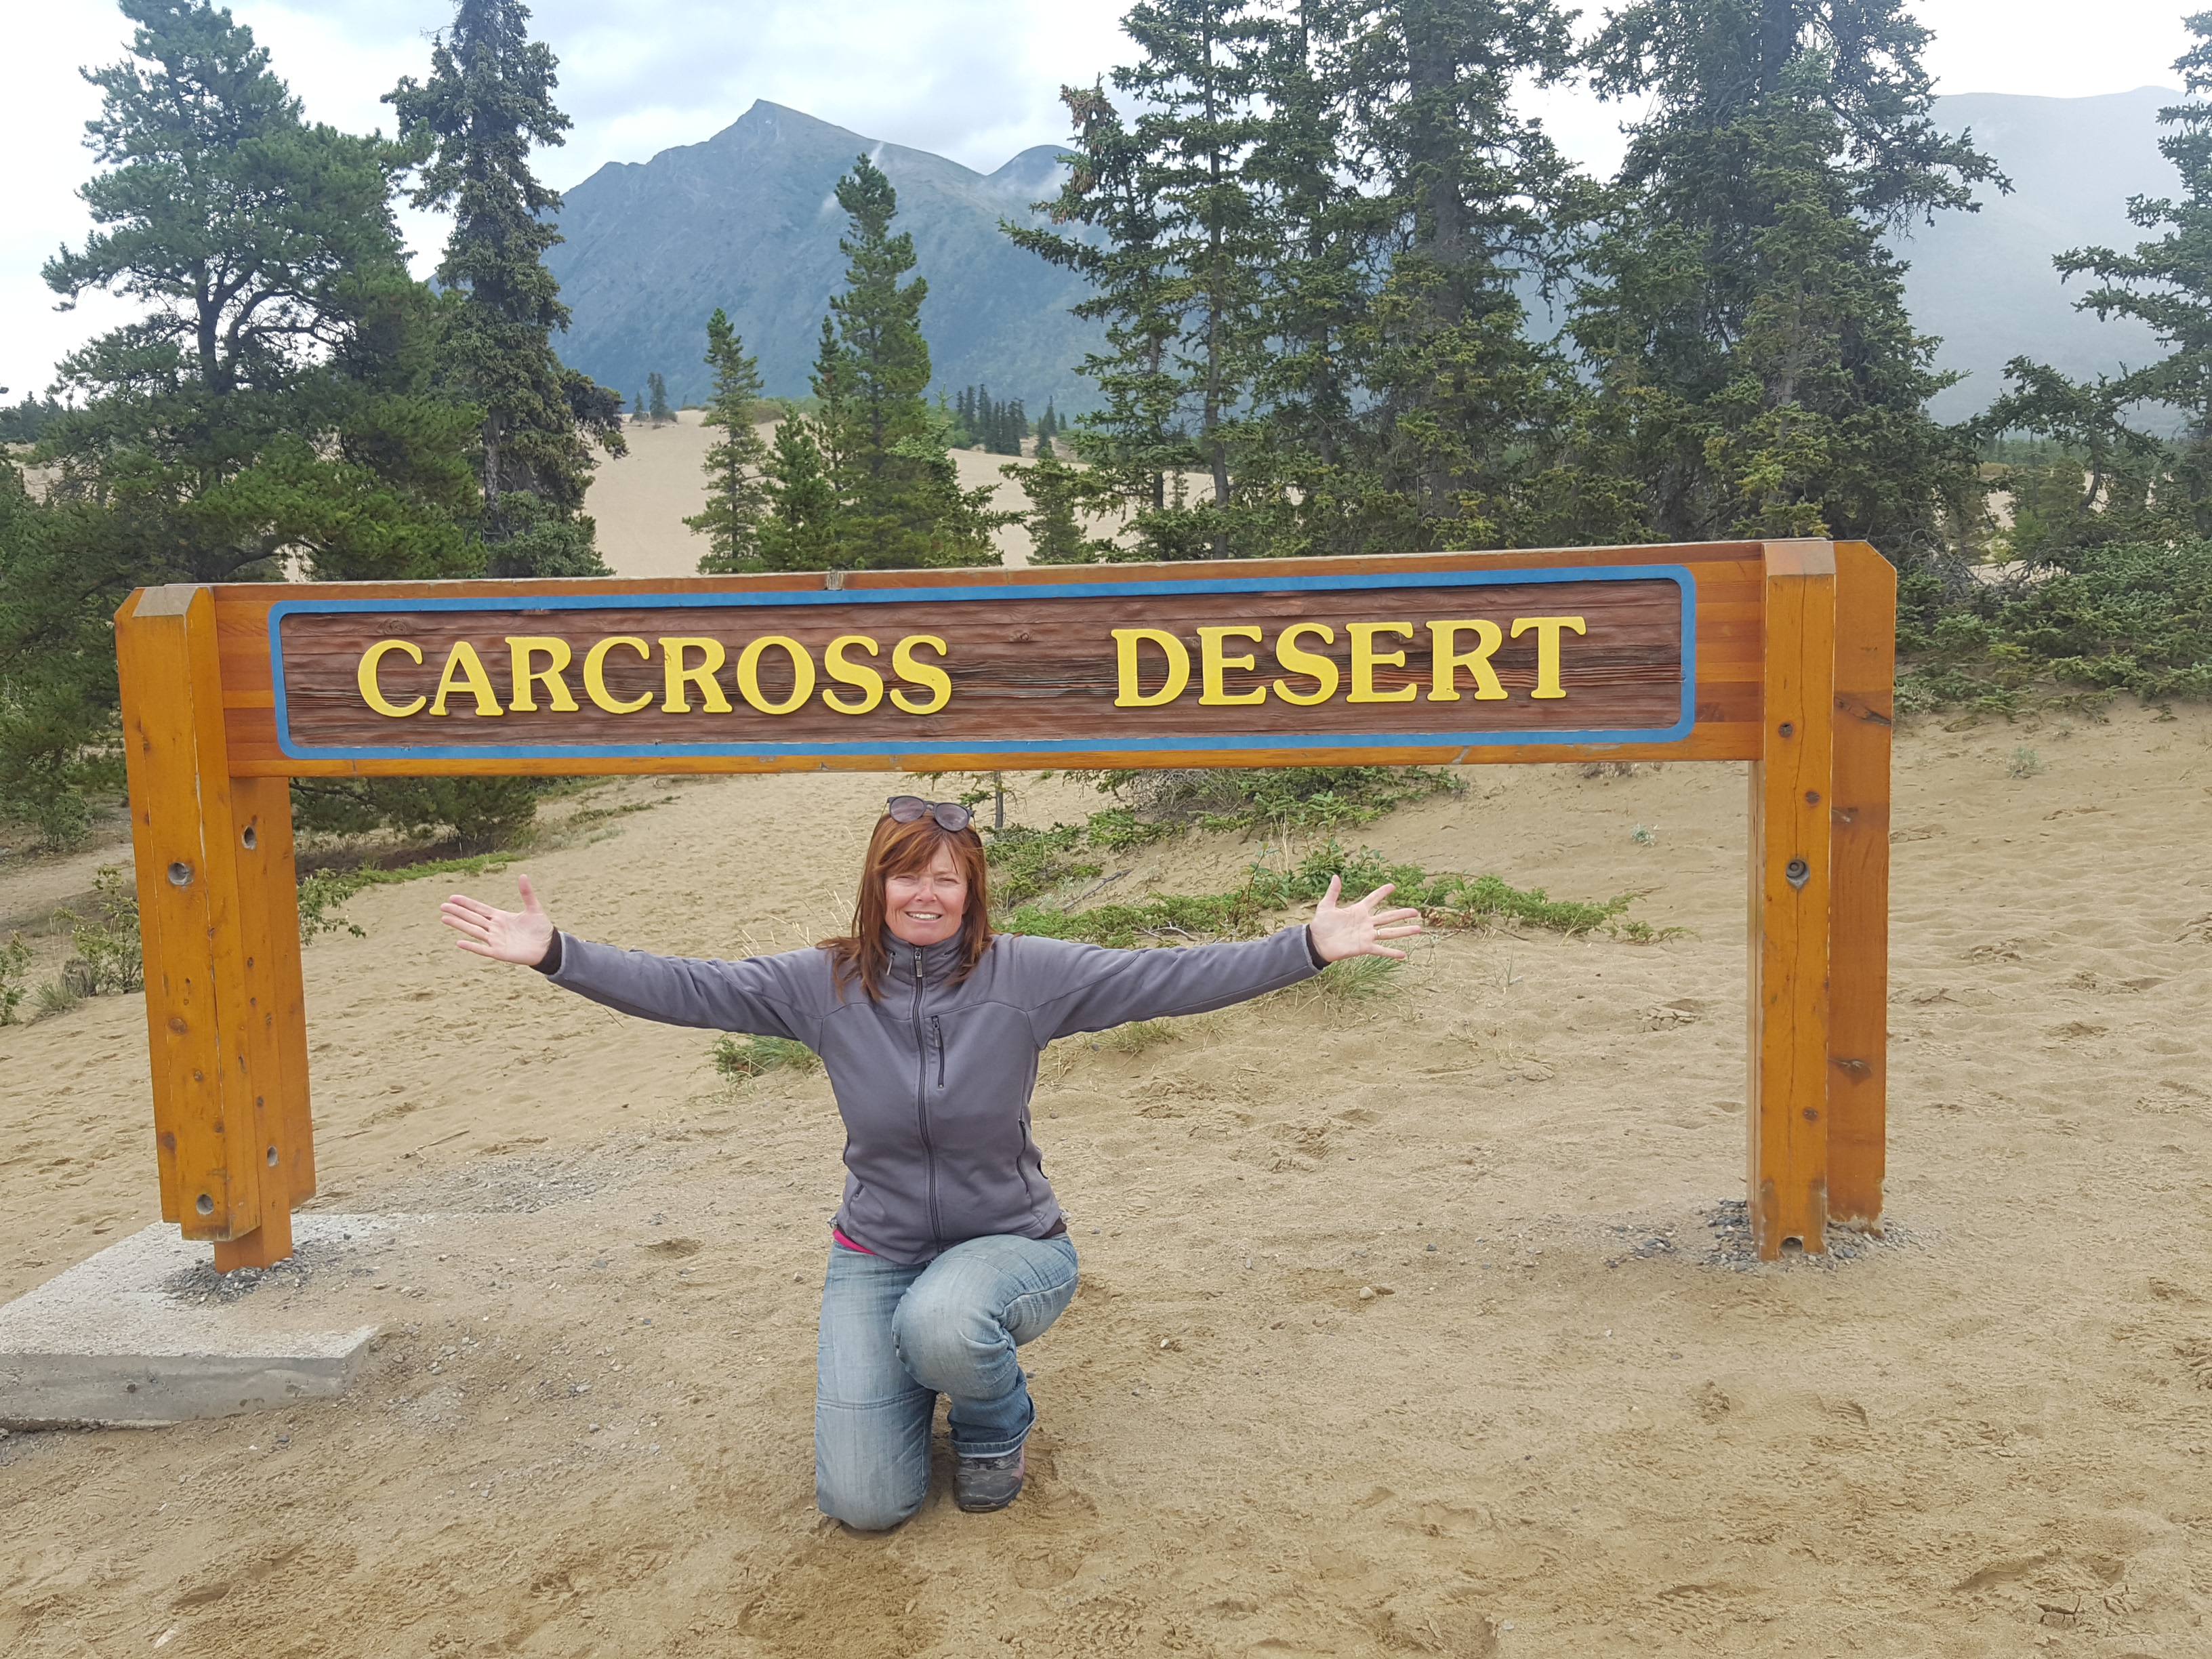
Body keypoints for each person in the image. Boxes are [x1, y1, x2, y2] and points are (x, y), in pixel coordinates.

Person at [438, 795, 1420, 1529]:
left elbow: (1170, 975)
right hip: (880, 1248)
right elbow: (686, 988)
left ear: (971, 891)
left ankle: (995, 1417)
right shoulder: (819, 985)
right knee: (865, 1504)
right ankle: (918, 1364)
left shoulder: (1027, 975)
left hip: (1014, 1248)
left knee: (947, 1321)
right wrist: (558, 952)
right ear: (877, 887)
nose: (926, 893)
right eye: (906, 875)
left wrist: (1306, 946)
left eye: (946, 877)